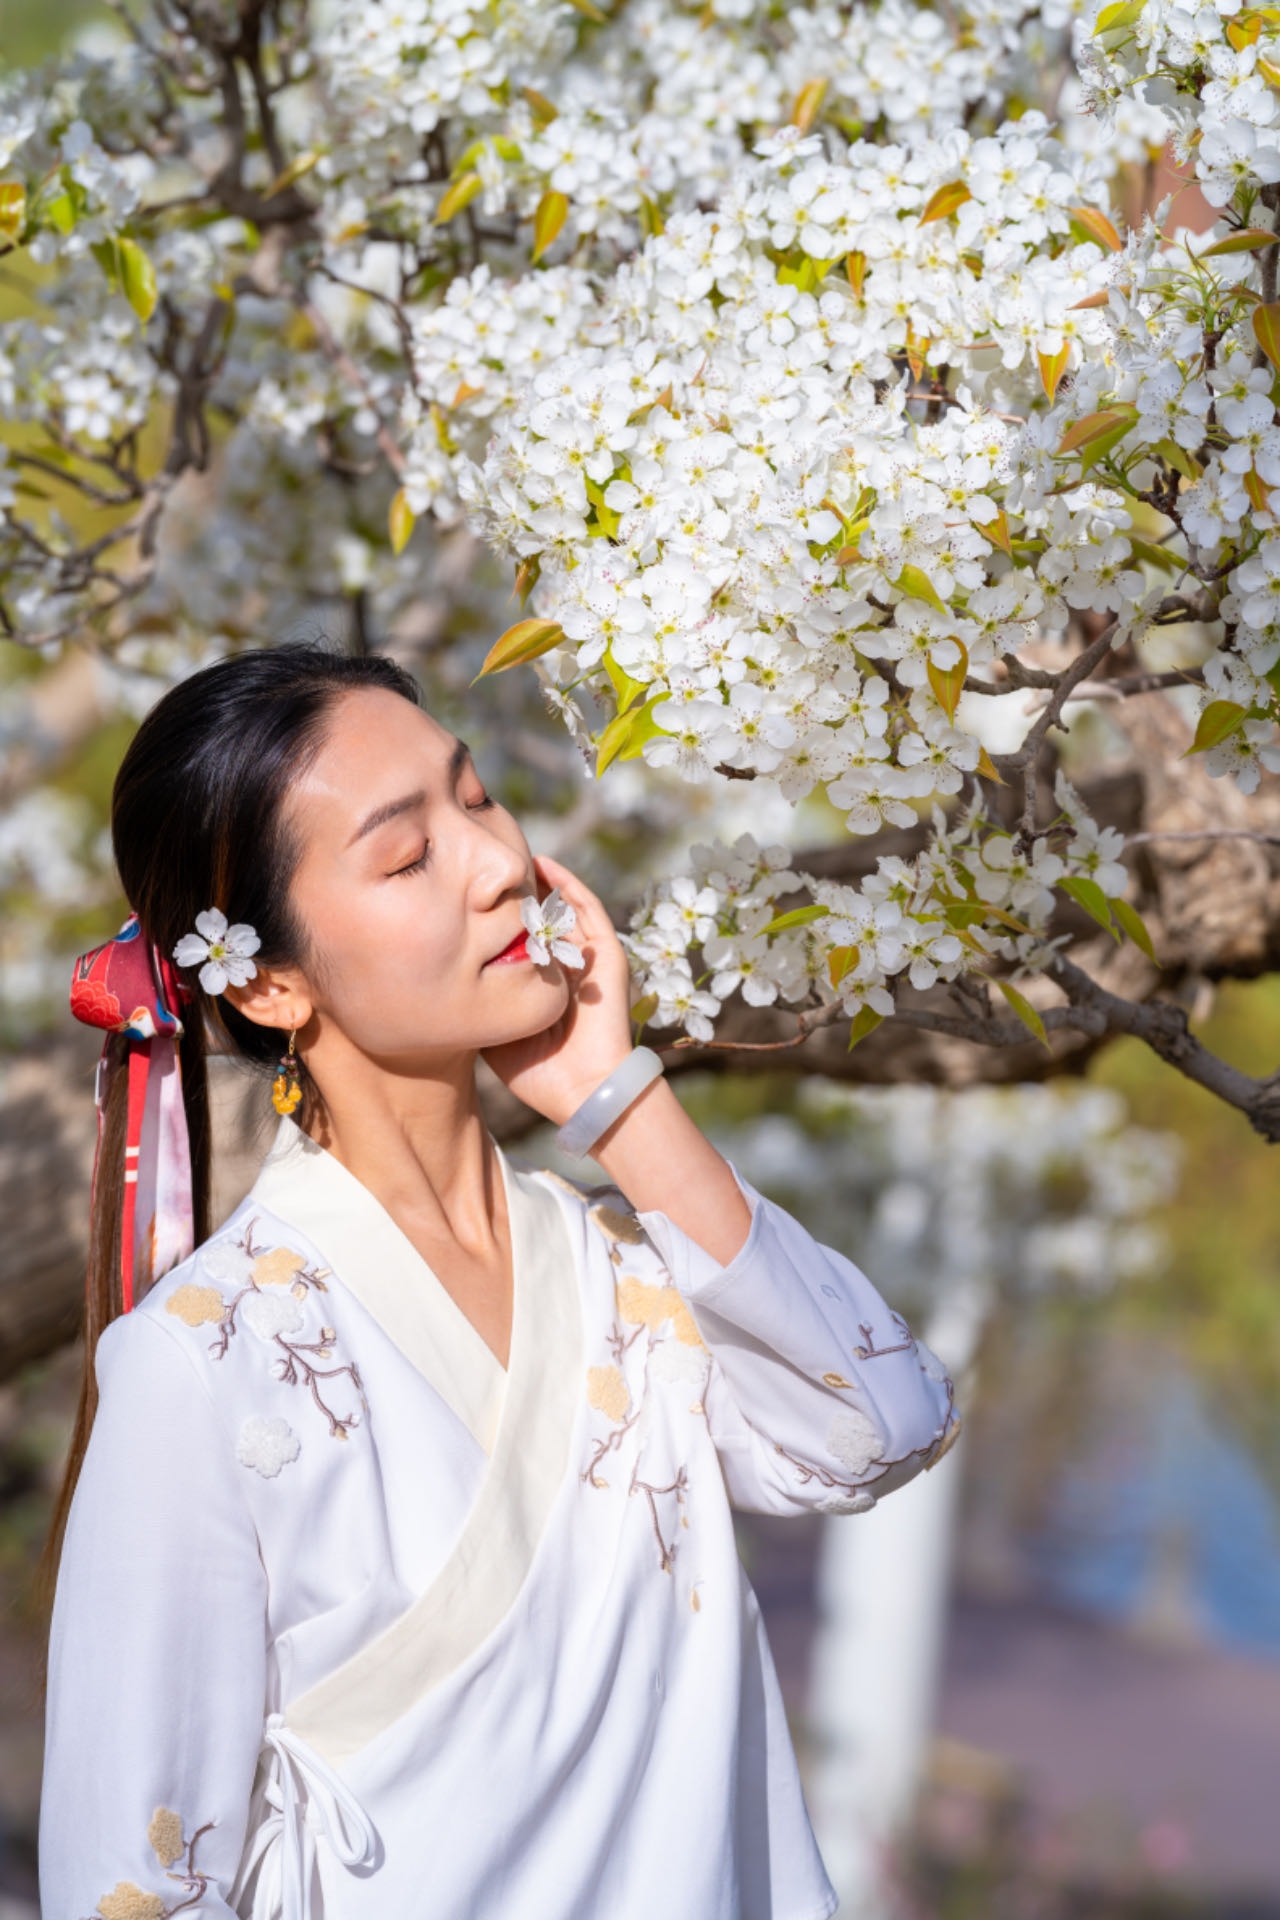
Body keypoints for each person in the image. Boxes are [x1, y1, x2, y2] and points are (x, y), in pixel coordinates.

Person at [40, 646, 959, 1920]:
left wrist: (616, 1098)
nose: (495, 864)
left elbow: (879, 1426)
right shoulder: (205, 1359)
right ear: (267, 978)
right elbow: (133, 1883)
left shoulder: (624, 1270)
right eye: (407, 856)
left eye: (474, 799)